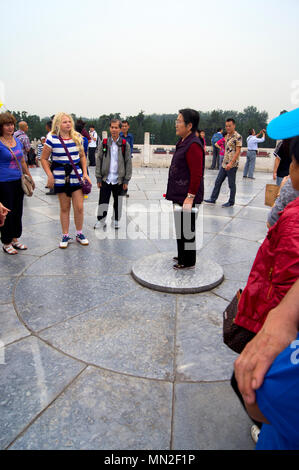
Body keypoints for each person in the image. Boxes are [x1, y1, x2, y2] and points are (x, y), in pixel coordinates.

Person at [233, 134, 299, 449]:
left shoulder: (293, 221)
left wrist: (276, 318)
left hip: (273, 311)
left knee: (250, 379)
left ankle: (265, 426)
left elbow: (285, 279)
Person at [41, 113, 92, 249]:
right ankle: (65, 234)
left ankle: (79, 233)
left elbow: (82, 156)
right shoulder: (51, 138)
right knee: (65, 207)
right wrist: (49, 175)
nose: (68, 124)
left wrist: (85, 173)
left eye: (69, 121)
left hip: (76, 176)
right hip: (60, 177)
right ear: (58, 124)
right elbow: (44, 158)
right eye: (64, 122)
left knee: (79, 207)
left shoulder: (77, 137)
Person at [165, 109, 204, 270]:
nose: (176, 123)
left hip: (187, 195)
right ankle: (182, 254)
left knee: (187, 228)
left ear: (189, 125)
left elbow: (196, 174)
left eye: (179, 121)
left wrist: (190, 196)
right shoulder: (183, 141)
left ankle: (188, 261)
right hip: (178, 193)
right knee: (180, 226)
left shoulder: (193, 144)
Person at [0, 112, 35, 254]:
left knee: (18, 211)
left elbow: (21, 160)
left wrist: (29, 176)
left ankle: (15, 238)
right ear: (1, 127)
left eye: (12, 124)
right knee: (6, 212)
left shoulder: (17, 141)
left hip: (18, 180)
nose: (10, 127)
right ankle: (6, 241)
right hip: (3, 182)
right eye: (7, 125)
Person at [94, 119, 132, 230]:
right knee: (103, 200)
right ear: (110, 128)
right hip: (106, 178)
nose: (114, 130)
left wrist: (126, 180)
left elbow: (128, 162)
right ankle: (101, 220)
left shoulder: (125, 144)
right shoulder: (105, 143)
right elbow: (99, 160)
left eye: (116, 127)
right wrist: (98, 178)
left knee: (118, 200)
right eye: (112, 127)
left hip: (119, 179)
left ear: (120, 129)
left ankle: (116, 220)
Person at [204, 118, 242, 207]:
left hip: (232, 165)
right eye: (226, 126)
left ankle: (231, 201)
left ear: (234, 126)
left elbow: (238, 151)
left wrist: (231, 163)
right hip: (224, 163)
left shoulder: (238, 136)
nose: (228, 128)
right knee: (218, 181)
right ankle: (213, 199)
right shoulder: (227, 136)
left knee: (231, 184)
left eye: (230, 126)